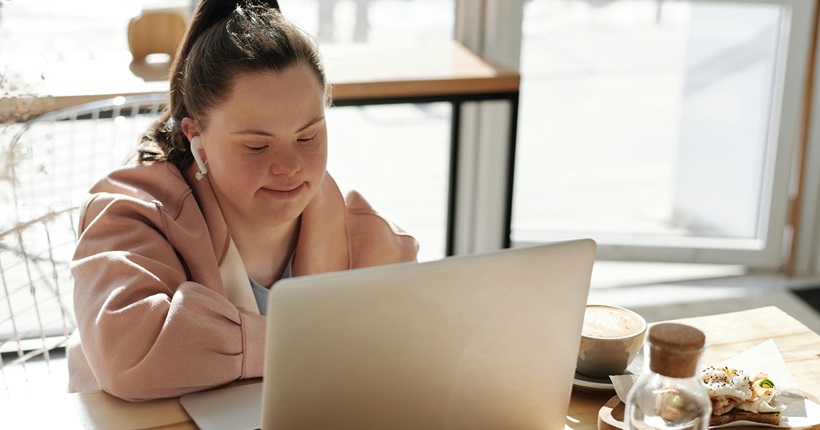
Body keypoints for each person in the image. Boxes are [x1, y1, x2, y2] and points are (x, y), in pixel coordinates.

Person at [67, 0, 418, 401]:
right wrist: (315, 341)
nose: (289, 166)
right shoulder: (130, 213)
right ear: (196, 138)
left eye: (307, 136)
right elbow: (129, 355)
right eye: (256, 146)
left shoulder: (370, 237)